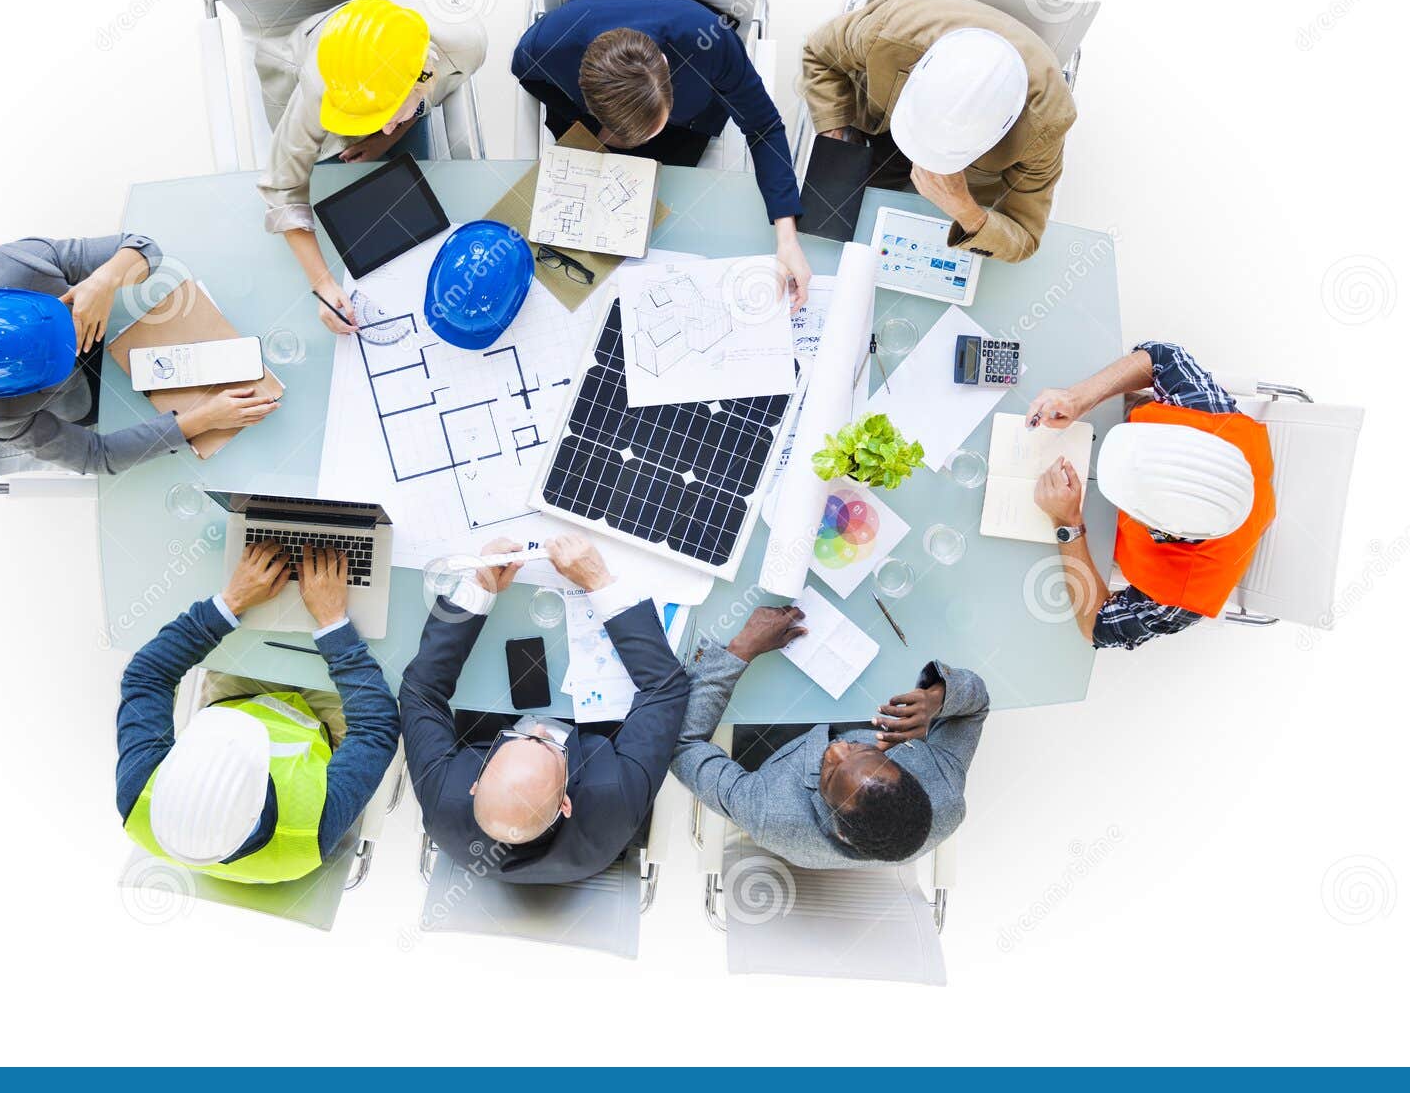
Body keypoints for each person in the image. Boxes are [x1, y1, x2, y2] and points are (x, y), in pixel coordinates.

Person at [400, 534, 691, 885]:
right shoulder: (612, 798)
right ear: (565, 804)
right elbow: (666, 688)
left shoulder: (444, 801)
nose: (537, 729)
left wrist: (481, 586)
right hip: (597, 733)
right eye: (545, 746)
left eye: (514, 742)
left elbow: (419, 690)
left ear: (475, 785)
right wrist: (598, 582)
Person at [115, 542, 400, 883]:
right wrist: (333, 625)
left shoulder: (139, 796)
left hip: (236, 702)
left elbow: (146, 677)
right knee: (383, 623)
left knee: (262, 595)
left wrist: (229, 603)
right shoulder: (310, 835)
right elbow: (375, 728)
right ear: (262, 796)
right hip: (322, 724)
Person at [510, 0, 810, 309]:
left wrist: (787, 237)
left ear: (667, 68)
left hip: (686, 126)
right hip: (598, 127)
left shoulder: (711, 42)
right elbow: (524, 74)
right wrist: (591, 126)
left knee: (664, 231)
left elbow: (763, 126)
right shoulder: (551, 43)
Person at [671, 606, 989, 866]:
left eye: (832, 773)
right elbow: (975, 707)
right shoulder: (945, 797)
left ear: (837, 827)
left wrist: (742, 649)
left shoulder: (769, 811)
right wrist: (937, 699)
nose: (836, 750)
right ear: (910, 773)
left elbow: (684, 745)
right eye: (864, 752)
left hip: (774, 747)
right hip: (857, 696)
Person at [0, 233, 277, 474]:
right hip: (94, 396)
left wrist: (106, 278)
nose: (78, 344)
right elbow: (97, 456)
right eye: (62, 356)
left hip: (117, 317)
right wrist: (202, 420)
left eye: (69, 325)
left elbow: (146, 249)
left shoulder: (19, 266)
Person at [256, 0, 488, 334]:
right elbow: (281, 189)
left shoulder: (466, 44)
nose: (387, 126)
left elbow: (428, 92)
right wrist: (322, 285)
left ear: (423, 76)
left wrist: (389, 136)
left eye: (391, 117)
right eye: (379, 121)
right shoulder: (321, 88)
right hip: (299, 70)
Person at [1027, 342, 1278, 651]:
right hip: (1087, 431)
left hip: (1078, 525)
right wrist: (1078, 398)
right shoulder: (1214, 421)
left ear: (1159, 529)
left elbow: (1097, 628)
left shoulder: (1184, 596)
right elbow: (1162, 357)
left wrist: (1067, 524)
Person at [799, 0, 1075, 262]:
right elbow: (819, 54)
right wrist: (835, 132)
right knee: (822, 236)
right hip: (877, 128)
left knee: (925, 261)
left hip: (966, 184)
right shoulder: (889, 32)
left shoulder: (1045, 125)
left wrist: (966, 210)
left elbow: (1024, 237)